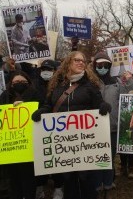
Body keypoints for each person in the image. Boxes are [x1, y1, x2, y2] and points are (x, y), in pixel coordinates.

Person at [32, 51, 111, 199]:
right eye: (77, 60)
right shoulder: (57, 86)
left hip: (85, 143)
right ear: (68, 63)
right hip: (63, 144)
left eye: (83, 60)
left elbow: (99, 103)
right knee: (68, 181)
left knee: (86, 179)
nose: (81, 63)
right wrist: (42, 111)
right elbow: (49, 104)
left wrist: (104, 106)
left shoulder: (90, 85)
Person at [92, 51, 133, 196]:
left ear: (109, 66)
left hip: (113, 125)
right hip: (94, 126)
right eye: (99, 65)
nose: (102, 67)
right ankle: (97, 183)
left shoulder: (116, 82)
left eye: (105, 65)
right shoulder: (90, 81)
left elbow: (127, 95)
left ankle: (108, 181)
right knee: (97, 155)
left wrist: (128, 81)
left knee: (110, 155)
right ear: (94, 65)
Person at [0, 70, 42, 199]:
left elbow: (43, 110)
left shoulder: (36, 94)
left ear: (28, 82)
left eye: (23, 82)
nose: (19, 84)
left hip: (29, 145)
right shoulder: (5, 95)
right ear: (11, 83)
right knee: (13, 179)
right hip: (11, 147)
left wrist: (26, 107)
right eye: (16, 82)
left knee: (28, 177)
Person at [33, 59, 64, 199]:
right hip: (38, 126)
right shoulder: (33, 85)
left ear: (54, 71)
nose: (46, 72)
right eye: (44, 69)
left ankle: (58, 187)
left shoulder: (60, 86)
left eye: (49, 69)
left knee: (57, 156)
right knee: (41, 156)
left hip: (57, 126)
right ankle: (40, 185)